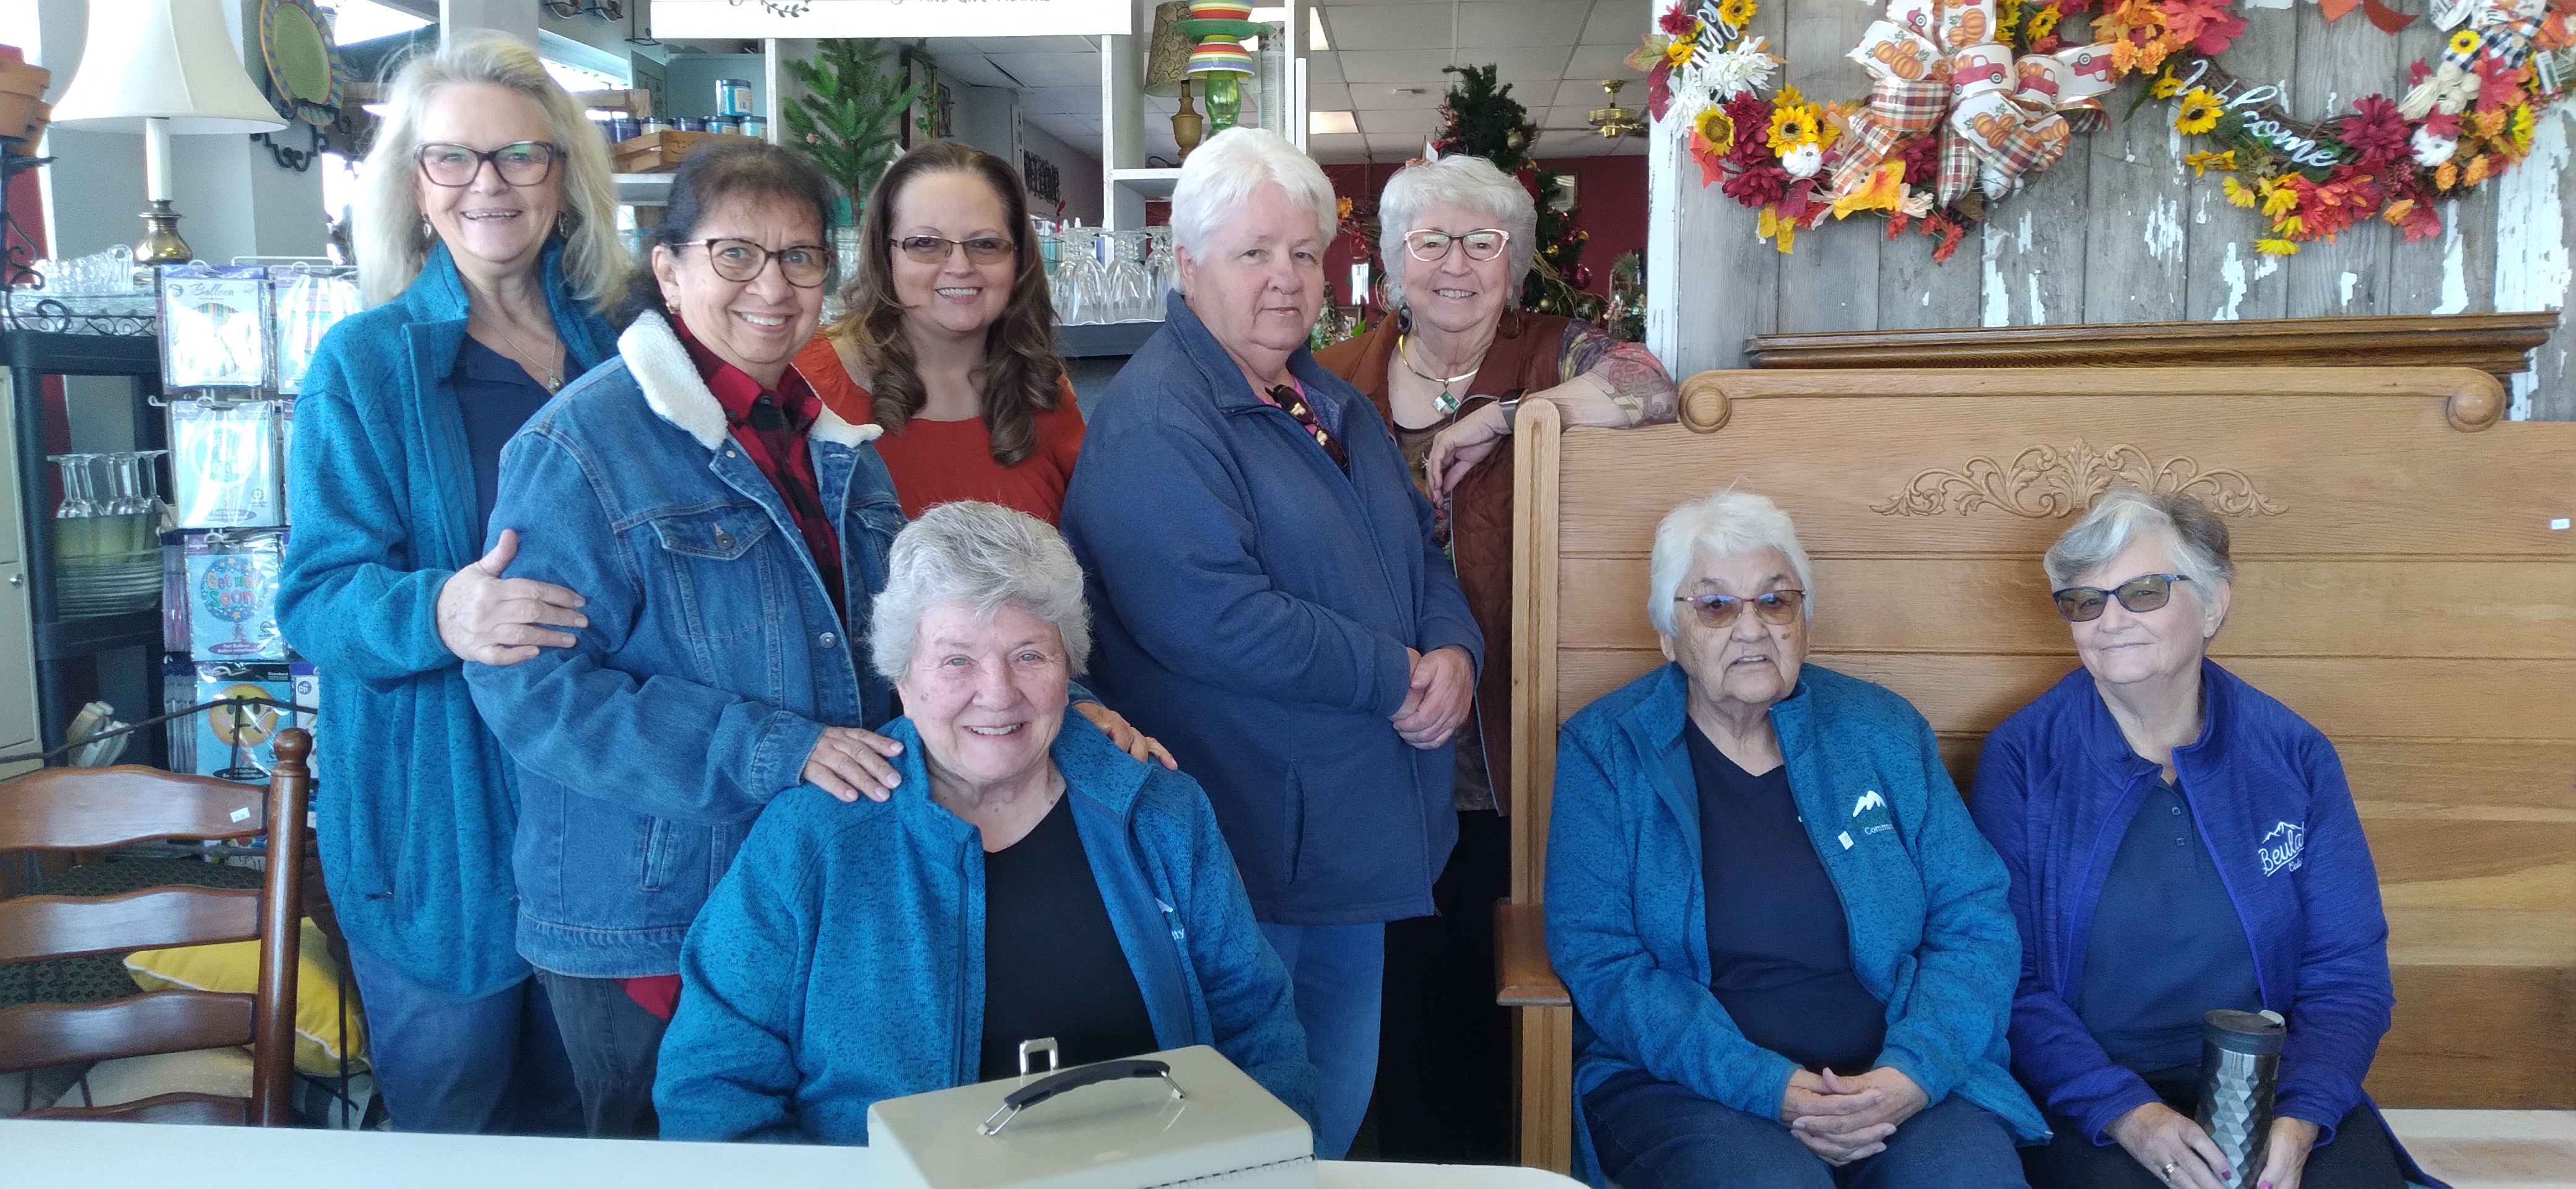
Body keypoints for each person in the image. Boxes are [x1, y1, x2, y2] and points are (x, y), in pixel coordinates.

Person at [464, 141, 1164, 1139]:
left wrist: (1062, 705)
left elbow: (915, 640)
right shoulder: (581, 445)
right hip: (656, 914)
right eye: (735, 254)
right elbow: (538, 697)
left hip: (825, 886)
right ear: (669, 269)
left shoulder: (834, 442)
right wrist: (775, 749)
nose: (772, 285)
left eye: (798, 258)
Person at [1060, 126, 1483, 1159]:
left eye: (1303, 252)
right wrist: (1396, 674)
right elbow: (1211, 616)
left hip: (1352, 838)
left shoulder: (1329, 399)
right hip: (1253, 847)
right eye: (1255, 253)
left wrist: (1454, 649)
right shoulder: (1157, 420)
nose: (1286, 278)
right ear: (1188, 262)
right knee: (1248, 1132)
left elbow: (1422, 552)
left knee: (1324, 1121)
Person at [653, 502, 1317, 1143]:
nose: (997, 693)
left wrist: (1258, 1164)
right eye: (957, 660)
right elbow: (712, 1091)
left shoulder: (1160, 812)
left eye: (1029, 655)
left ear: (1068, 668)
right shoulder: (809, 841)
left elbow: (1257, 1027)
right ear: (902, 678)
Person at [276, 31, 626, 1135]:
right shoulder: (366, 362)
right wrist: (441, 608)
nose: (489, 185)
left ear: (563, 176)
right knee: (456, 1126)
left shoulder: (628, 348)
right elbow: (316, 596)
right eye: (453, 159)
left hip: (607, 818)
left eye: (520, 155)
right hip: (441, 825)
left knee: (607, 1125)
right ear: (415, 185)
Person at [1313, 150, 1678, 1161]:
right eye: (1431, 241)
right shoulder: (1333, 374)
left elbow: (1654, 388)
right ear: (1394, 262)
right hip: (1373, 736)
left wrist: (1521, 413)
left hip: (1507, 739)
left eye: (1483, 242)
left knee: (1495, 986)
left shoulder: (1555, 351)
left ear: (1515, 264)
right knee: (1392, 1001)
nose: (1456, 264)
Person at [1546, 489, 2045, 1188]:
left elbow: (1973, 918)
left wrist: (1913, 1072)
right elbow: (1600, 957)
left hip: (1894, 1074)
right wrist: (1766, 1086)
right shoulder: (1606, 748)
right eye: (1715, 606)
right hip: (1691, 1087)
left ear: (1802, 618)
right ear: (1667, 634)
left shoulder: (1882, 730)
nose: (1751, 628)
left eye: (1775, 601)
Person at [1972, 489, 2447, 1189]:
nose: (2110, 622)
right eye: (2084, 602)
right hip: (2089, 1095)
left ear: (2214, 604)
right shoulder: (2022, 757)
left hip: (2271, 1083)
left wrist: (2303, 1113)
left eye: (2142, 592)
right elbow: (2006, 978)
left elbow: (2347, 972)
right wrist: (2125, 1112)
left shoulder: (2293, 754)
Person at [794, 141, 1084, 523]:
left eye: (985, 244)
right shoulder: (806, 384)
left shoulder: (1044, 390)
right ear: (885, 256)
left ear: (1018, 259)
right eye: (926, 244)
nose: (960, 266)